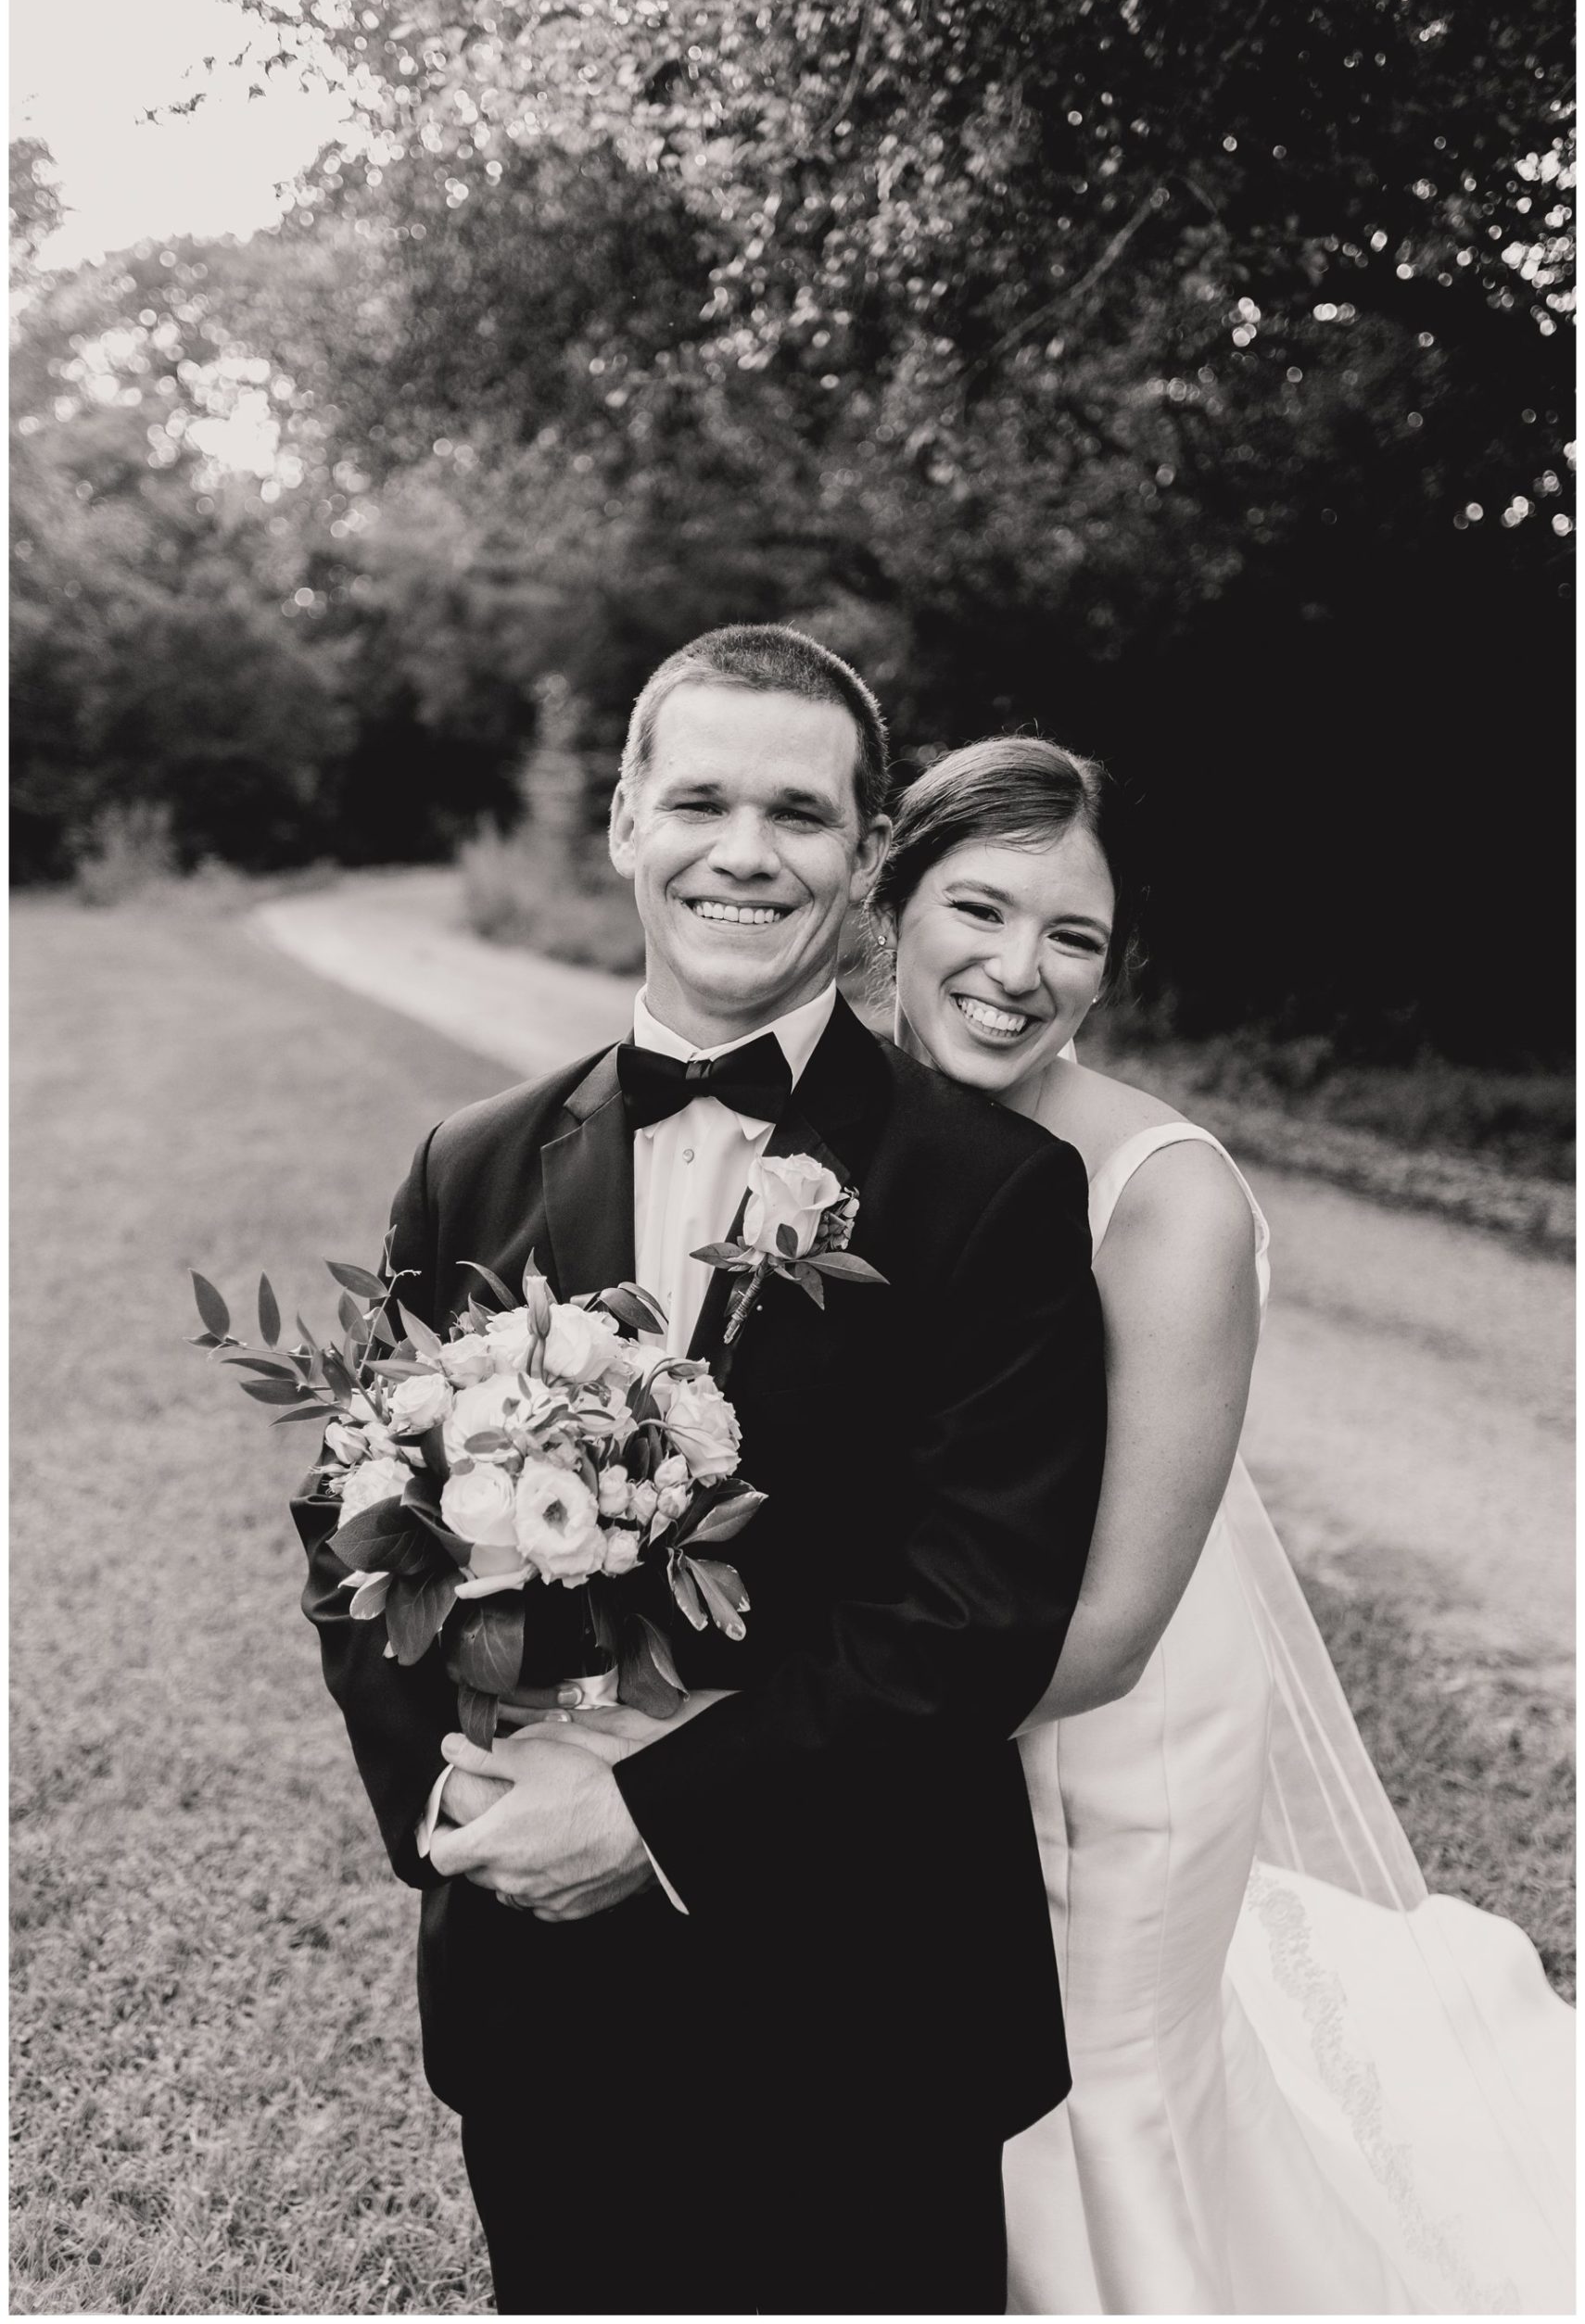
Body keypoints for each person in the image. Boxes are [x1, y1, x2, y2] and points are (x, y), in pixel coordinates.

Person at [292, 633, 1109, 2314]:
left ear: (868, 852)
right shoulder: (473, 1159)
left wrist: (651, 1816)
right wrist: (460, 1809)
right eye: (702, 800)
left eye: (799, 812)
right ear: (622, 826)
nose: (746, 850)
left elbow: (974, 1614)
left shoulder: (991, 1192)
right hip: (543, 1998)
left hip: (862, 2006)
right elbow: (350, 1523)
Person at [851, 734, 1570, 2315]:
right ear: (885, 903)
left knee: (1093, 2102)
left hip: (1111, 1725)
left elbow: (1112, 1627)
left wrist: (819, 1749)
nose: (1015, 970)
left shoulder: (1166, 1199)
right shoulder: (824, 1129)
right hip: (916, 1685)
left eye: (1074, 937)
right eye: (976, 909)